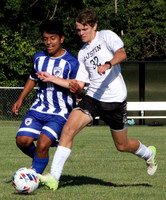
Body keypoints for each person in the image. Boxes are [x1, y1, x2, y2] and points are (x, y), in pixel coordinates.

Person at [37, 8, 157, 190]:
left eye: (84, 29)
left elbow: (122, 53)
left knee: (122, 145)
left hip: (115, 101)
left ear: (94, 26)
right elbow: (79, 82)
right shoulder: (82, 53)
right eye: (78, 30)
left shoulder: (106, 36)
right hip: (92, 97)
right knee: (68, 130)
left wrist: (108, 64)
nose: (81, 33)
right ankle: (54, 178)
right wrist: (52, 78)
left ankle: (148, 154)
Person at [12, 19, 79, 174]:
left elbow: (78, 87)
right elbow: (32, 78)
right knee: (22, 141)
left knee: (43, 144)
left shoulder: (72, 63)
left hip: (60, 112)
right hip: (39, 108)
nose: (48, 42)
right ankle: (41, 159)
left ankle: (34, 176)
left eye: (52, 38)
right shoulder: (38, 58)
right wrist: (20, 99)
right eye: (45, 39)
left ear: (62, 39)